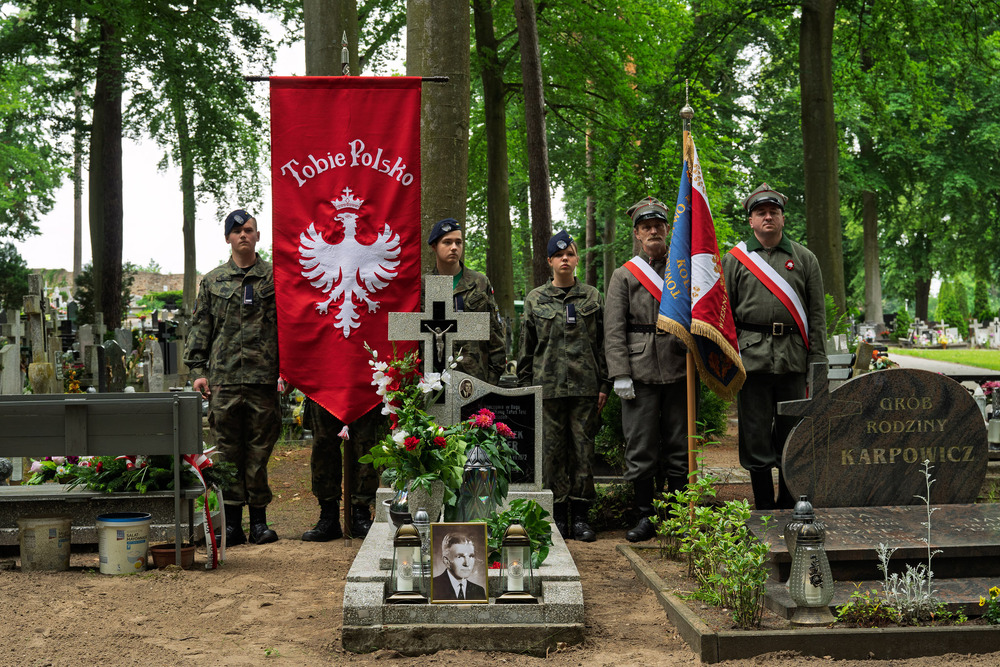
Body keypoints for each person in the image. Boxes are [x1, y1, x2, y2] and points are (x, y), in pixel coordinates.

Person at [722, 183, 827, 509]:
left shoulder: (804, 259)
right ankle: (764, 504)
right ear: (751, 221)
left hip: (792, 359)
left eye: (773, 212)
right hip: (750, 360)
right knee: (754, 433)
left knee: (791, 432)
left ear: (782, 218)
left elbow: (816, 315)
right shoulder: (735, 260)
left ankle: (788, 501)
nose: (768, 217)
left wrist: (818, 362)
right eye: (760, 213)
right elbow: (724, 316)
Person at [184, 209, 280, 546]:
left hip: (263, 379)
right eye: (236, 230)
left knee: (258, 453)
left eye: (249, 230)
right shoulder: (212, 281)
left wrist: (289, 370)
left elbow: (290, 326)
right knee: (226, 453)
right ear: (228, 238)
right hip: (224, 379)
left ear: (257, 236)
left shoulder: (275, 278)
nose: (243, 235)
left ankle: (258, 523)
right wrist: (197, 371)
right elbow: (200, 328)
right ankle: (233, 525)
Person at [604, 197, 689, 543]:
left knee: (679, 447)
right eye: (646, 227)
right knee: (640, 448)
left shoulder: (683, 271)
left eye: (659, 226)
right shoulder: (624, 275)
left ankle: (679, 516)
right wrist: (619, 372)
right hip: (638, 373)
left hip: (679, 366)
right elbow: (613, 328)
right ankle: (645, 516)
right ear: (637, 234)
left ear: (668, 230)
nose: (653, 231)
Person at [518, 231, 609, 542]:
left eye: (570, 254)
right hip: (547, 389)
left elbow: (603, 344)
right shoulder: (535, 299)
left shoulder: (593, 297)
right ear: (550, 261)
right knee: (551, 454)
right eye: (559, 255)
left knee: (584, 452)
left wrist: (605, 384)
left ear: (576, 259)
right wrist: (525, 389)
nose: (565, 259)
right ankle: (556, 515)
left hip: (585, 388)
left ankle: (581, 516)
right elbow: (526, 349)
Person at [427, 218, 506, 384]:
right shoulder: (423, 286)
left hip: (473, 382)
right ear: (434, 247)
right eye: (447, 242)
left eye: (458, 242)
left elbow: (496, 335)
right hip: (431, 383)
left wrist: (490, 383)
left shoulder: (480, 283)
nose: (454, 247)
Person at [300, 399, 379, 541]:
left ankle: (361, 515)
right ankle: (328, 516)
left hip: (361, 384)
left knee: (365, 446)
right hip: (324, 384)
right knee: (323, 447)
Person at [432, 532, 487, 601]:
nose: (467, 563)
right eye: (460, 557)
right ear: (446, 561)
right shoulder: (433, 587)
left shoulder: (479, 591)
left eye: (471, 556)